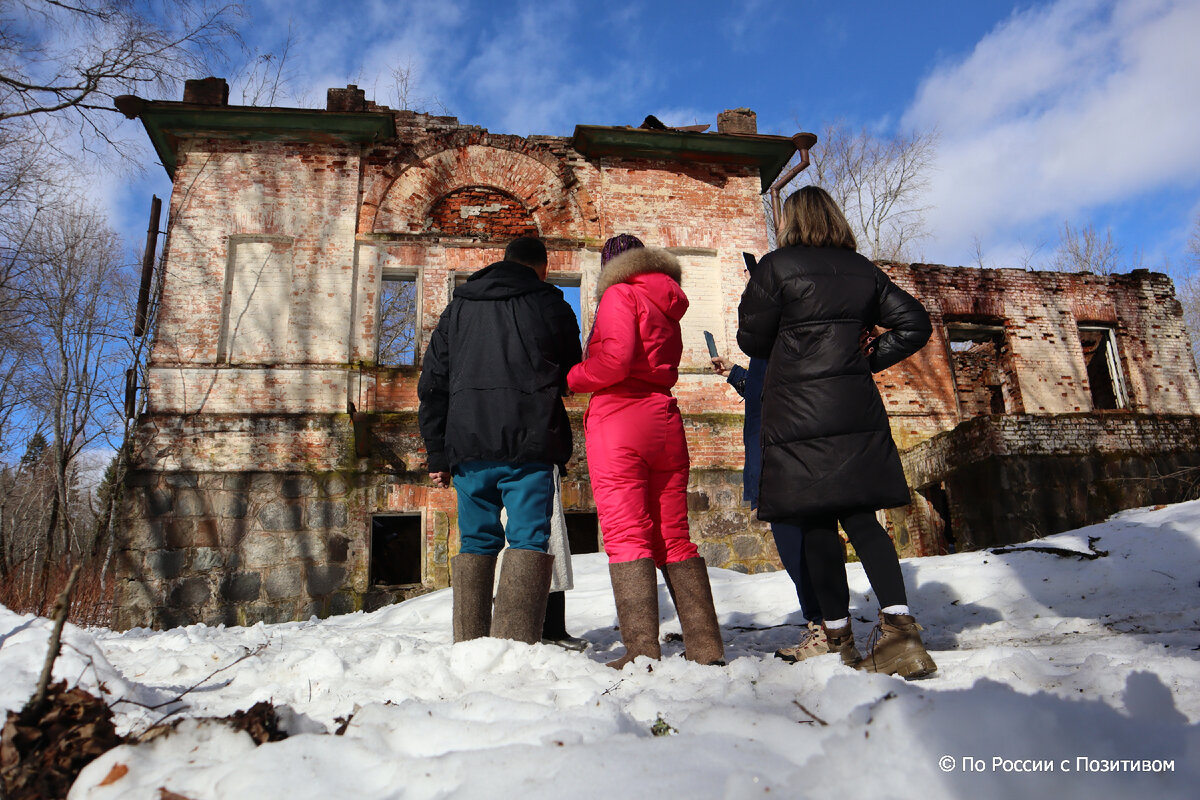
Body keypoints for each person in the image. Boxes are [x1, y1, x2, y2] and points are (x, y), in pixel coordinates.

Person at [737, 186, 937, 679]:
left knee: (815, 525)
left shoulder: (775, 267)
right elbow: (913, 324)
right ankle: (900, 632)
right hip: (852, 408)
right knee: (863, 521)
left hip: (797, 413)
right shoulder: (862, 269)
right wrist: (865, 359)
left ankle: (837, 637)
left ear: (791, 222)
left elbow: (752, 339)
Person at [567, 234, 724, 668]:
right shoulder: (668, 302)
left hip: (619, 421)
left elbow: (614, 363)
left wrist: (574, 377)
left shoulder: (620, 294)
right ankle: (707, 648)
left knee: (626, 533)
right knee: (674, 536)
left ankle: (640, 651)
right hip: (665, 419)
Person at [418, 236, 582, 645]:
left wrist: (437, 453)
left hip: (468, 447)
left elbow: (432, 384)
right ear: (541, 268)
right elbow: (572, 373)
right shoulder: (550, 303)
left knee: (475, 542)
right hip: (530, 444)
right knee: (528, 540)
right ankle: (517, 644)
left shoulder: (457, 308)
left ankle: (470, 645)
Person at [711, 340, 826, 662]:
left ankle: (826, 625)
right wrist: (735, 374)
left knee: (803, 547)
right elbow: (763, 394)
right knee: (796, 549)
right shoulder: (767, 344)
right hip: (776, 456)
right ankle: (825, 623)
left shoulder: (784, 332)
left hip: (788, 458)